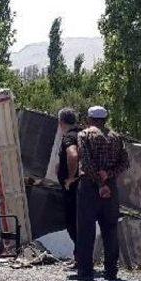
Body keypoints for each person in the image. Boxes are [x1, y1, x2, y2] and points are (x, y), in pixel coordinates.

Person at [74, 106, 129, 281]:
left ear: (89, 119)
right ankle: (111, 271)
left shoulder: (84, 135)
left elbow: (86, 162)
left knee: (86, 229)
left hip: (90, 186)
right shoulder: (116, 137)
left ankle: (85, 271)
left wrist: (99, 183)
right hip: (110, 187)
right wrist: (108, 176)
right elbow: (125, 163)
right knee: (110, 229)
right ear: (106, 119)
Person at [56, 108, 81, 266]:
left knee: (72, 223)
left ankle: (81, 258)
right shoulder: (82, 134)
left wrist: (70, 178)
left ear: (61, 123)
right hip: (86, 187)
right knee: (81, 222)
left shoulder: (69, 137)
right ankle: (81, 256)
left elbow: (73, 155)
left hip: (73, 189)